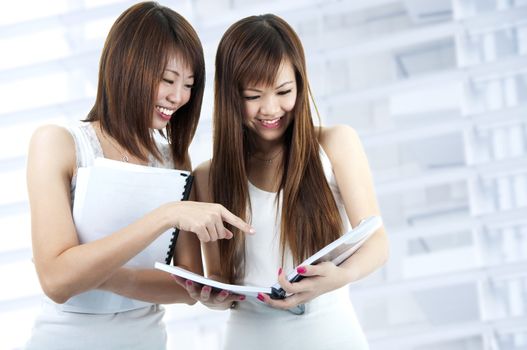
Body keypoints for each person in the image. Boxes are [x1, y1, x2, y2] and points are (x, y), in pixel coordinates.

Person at [25, 2, 253, 349]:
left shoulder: (174, 156)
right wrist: (165, 215)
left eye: (189, 84)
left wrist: (98, 276)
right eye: (167, 80)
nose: (178, 97)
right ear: (126, 67)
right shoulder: (58, 143)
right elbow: (56, 281)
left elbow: (185, 286)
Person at [175, 14, 389, 349]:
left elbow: (377, 243)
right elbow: (220, 276)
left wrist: (340, 277)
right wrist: (213, 296)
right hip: (250, 336)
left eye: (284, 91)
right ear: (231, 96)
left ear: (300, 86)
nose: (271, 108)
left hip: (331, 332)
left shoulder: (335, 144)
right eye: (253, 96)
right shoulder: (208, 176)